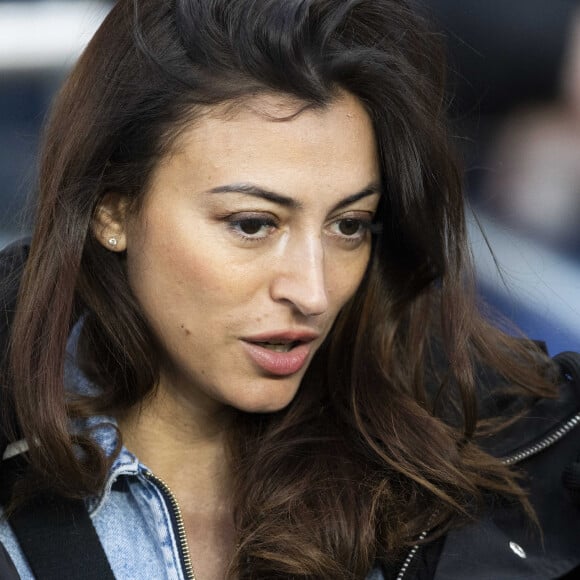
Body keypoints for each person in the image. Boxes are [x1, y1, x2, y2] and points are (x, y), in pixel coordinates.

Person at [0, 0, 579, 579]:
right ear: (112, 209)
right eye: (253, 224)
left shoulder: (475, 462)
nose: (313, 291)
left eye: (349, 226)